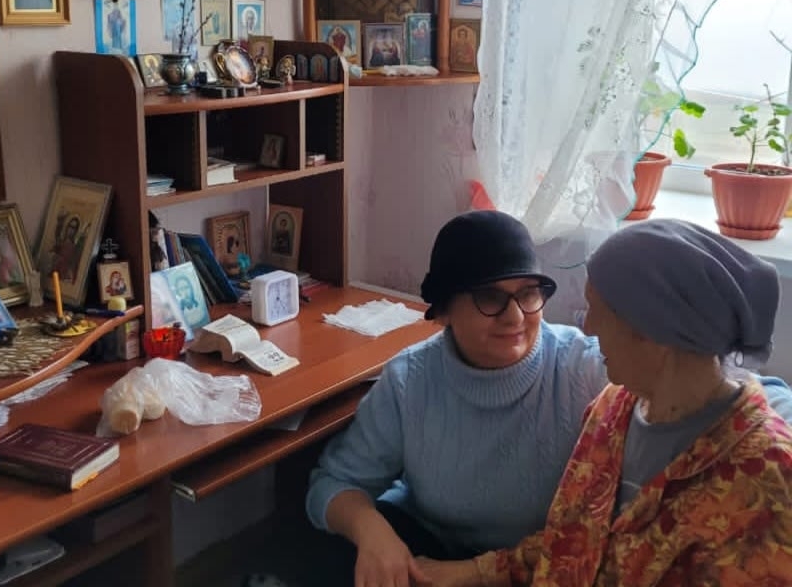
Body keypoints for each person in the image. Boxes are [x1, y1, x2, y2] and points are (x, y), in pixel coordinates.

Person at [305, 211, 792, 586]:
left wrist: (773, 446)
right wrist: (378, 533)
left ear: (655, 331)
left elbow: (745, 395)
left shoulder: (594, 372)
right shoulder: (612, 409)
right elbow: (575, 542)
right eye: (490, 298)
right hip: (473, 564)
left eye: (529, 293)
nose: (516, 316)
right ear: (444, 311)